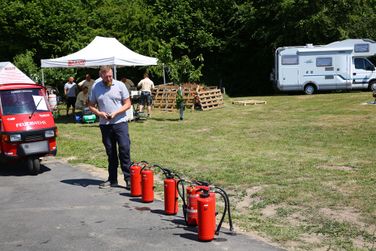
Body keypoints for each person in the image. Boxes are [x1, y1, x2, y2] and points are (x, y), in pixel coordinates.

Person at [88, 66, 132, 189]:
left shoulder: (120, 85)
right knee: (111, 152)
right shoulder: (96, 87)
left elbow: (128, 103)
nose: (110, 78)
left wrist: (116, 113)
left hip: (120, 123)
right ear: (101, 75)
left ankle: (128, 179)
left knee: (124, 148)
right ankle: (112, 179)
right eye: (107, 76)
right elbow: (91, 105)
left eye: (111, 76)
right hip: (105, 125)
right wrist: (99, 113)